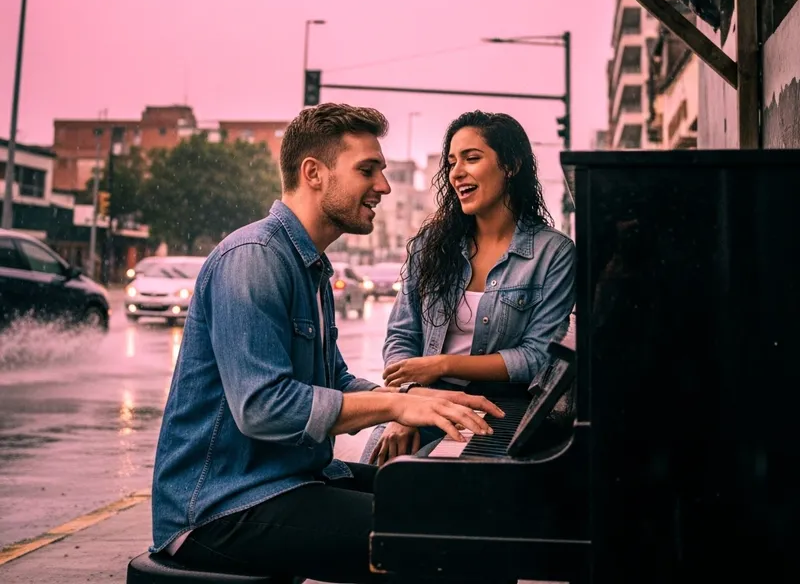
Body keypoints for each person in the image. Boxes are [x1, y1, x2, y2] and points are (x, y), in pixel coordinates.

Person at [149, 103, 504, 584]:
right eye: (367, 170)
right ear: (313, 173)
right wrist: (396, 410)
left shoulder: (309, 265)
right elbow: (263, 408)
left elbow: (333, 378)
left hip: (292, 481)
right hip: (223, 505)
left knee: (470, 511)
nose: (383, 185)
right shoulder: (254, 259)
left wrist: (414, 397)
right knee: (442, 542)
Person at [363, 110, 576, 465]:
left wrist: (443, 366)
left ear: (510, 165)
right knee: (375, 473)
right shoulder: (431, 244)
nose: (456, 172)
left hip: (498, 409)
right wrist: (408, 402)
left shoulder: (552, 253)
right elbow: (401, 337)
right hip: (424, 400)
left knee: (426, 486)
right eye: (451, 162)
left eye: (471, 158)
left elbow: (536, 357)